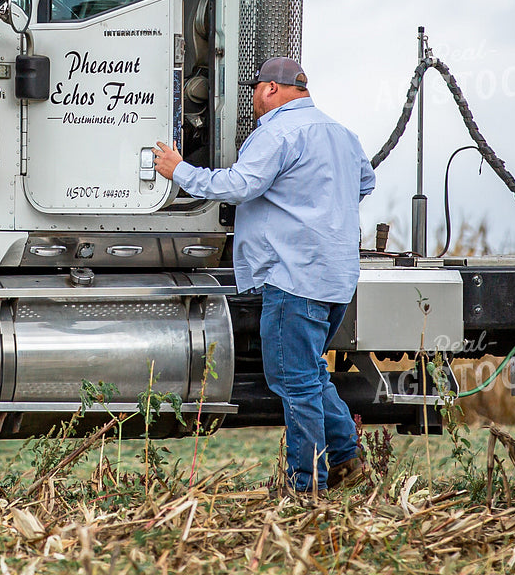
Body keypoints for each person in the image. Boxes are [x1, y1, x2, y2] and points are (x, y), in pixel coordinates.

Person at [152, 57, 375, 494]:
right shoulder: (342, 134)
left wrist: (179, 170)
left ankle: (307, 485)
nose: (253, 98)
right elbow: (365, 184)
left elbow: (239, 186)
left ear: (272, 89)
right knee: (309, 374)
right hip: (336, 276)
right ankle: (347, 459)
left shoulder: (275, 132)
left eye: (255, 89)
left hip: (294, 277)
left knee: (294, 381)